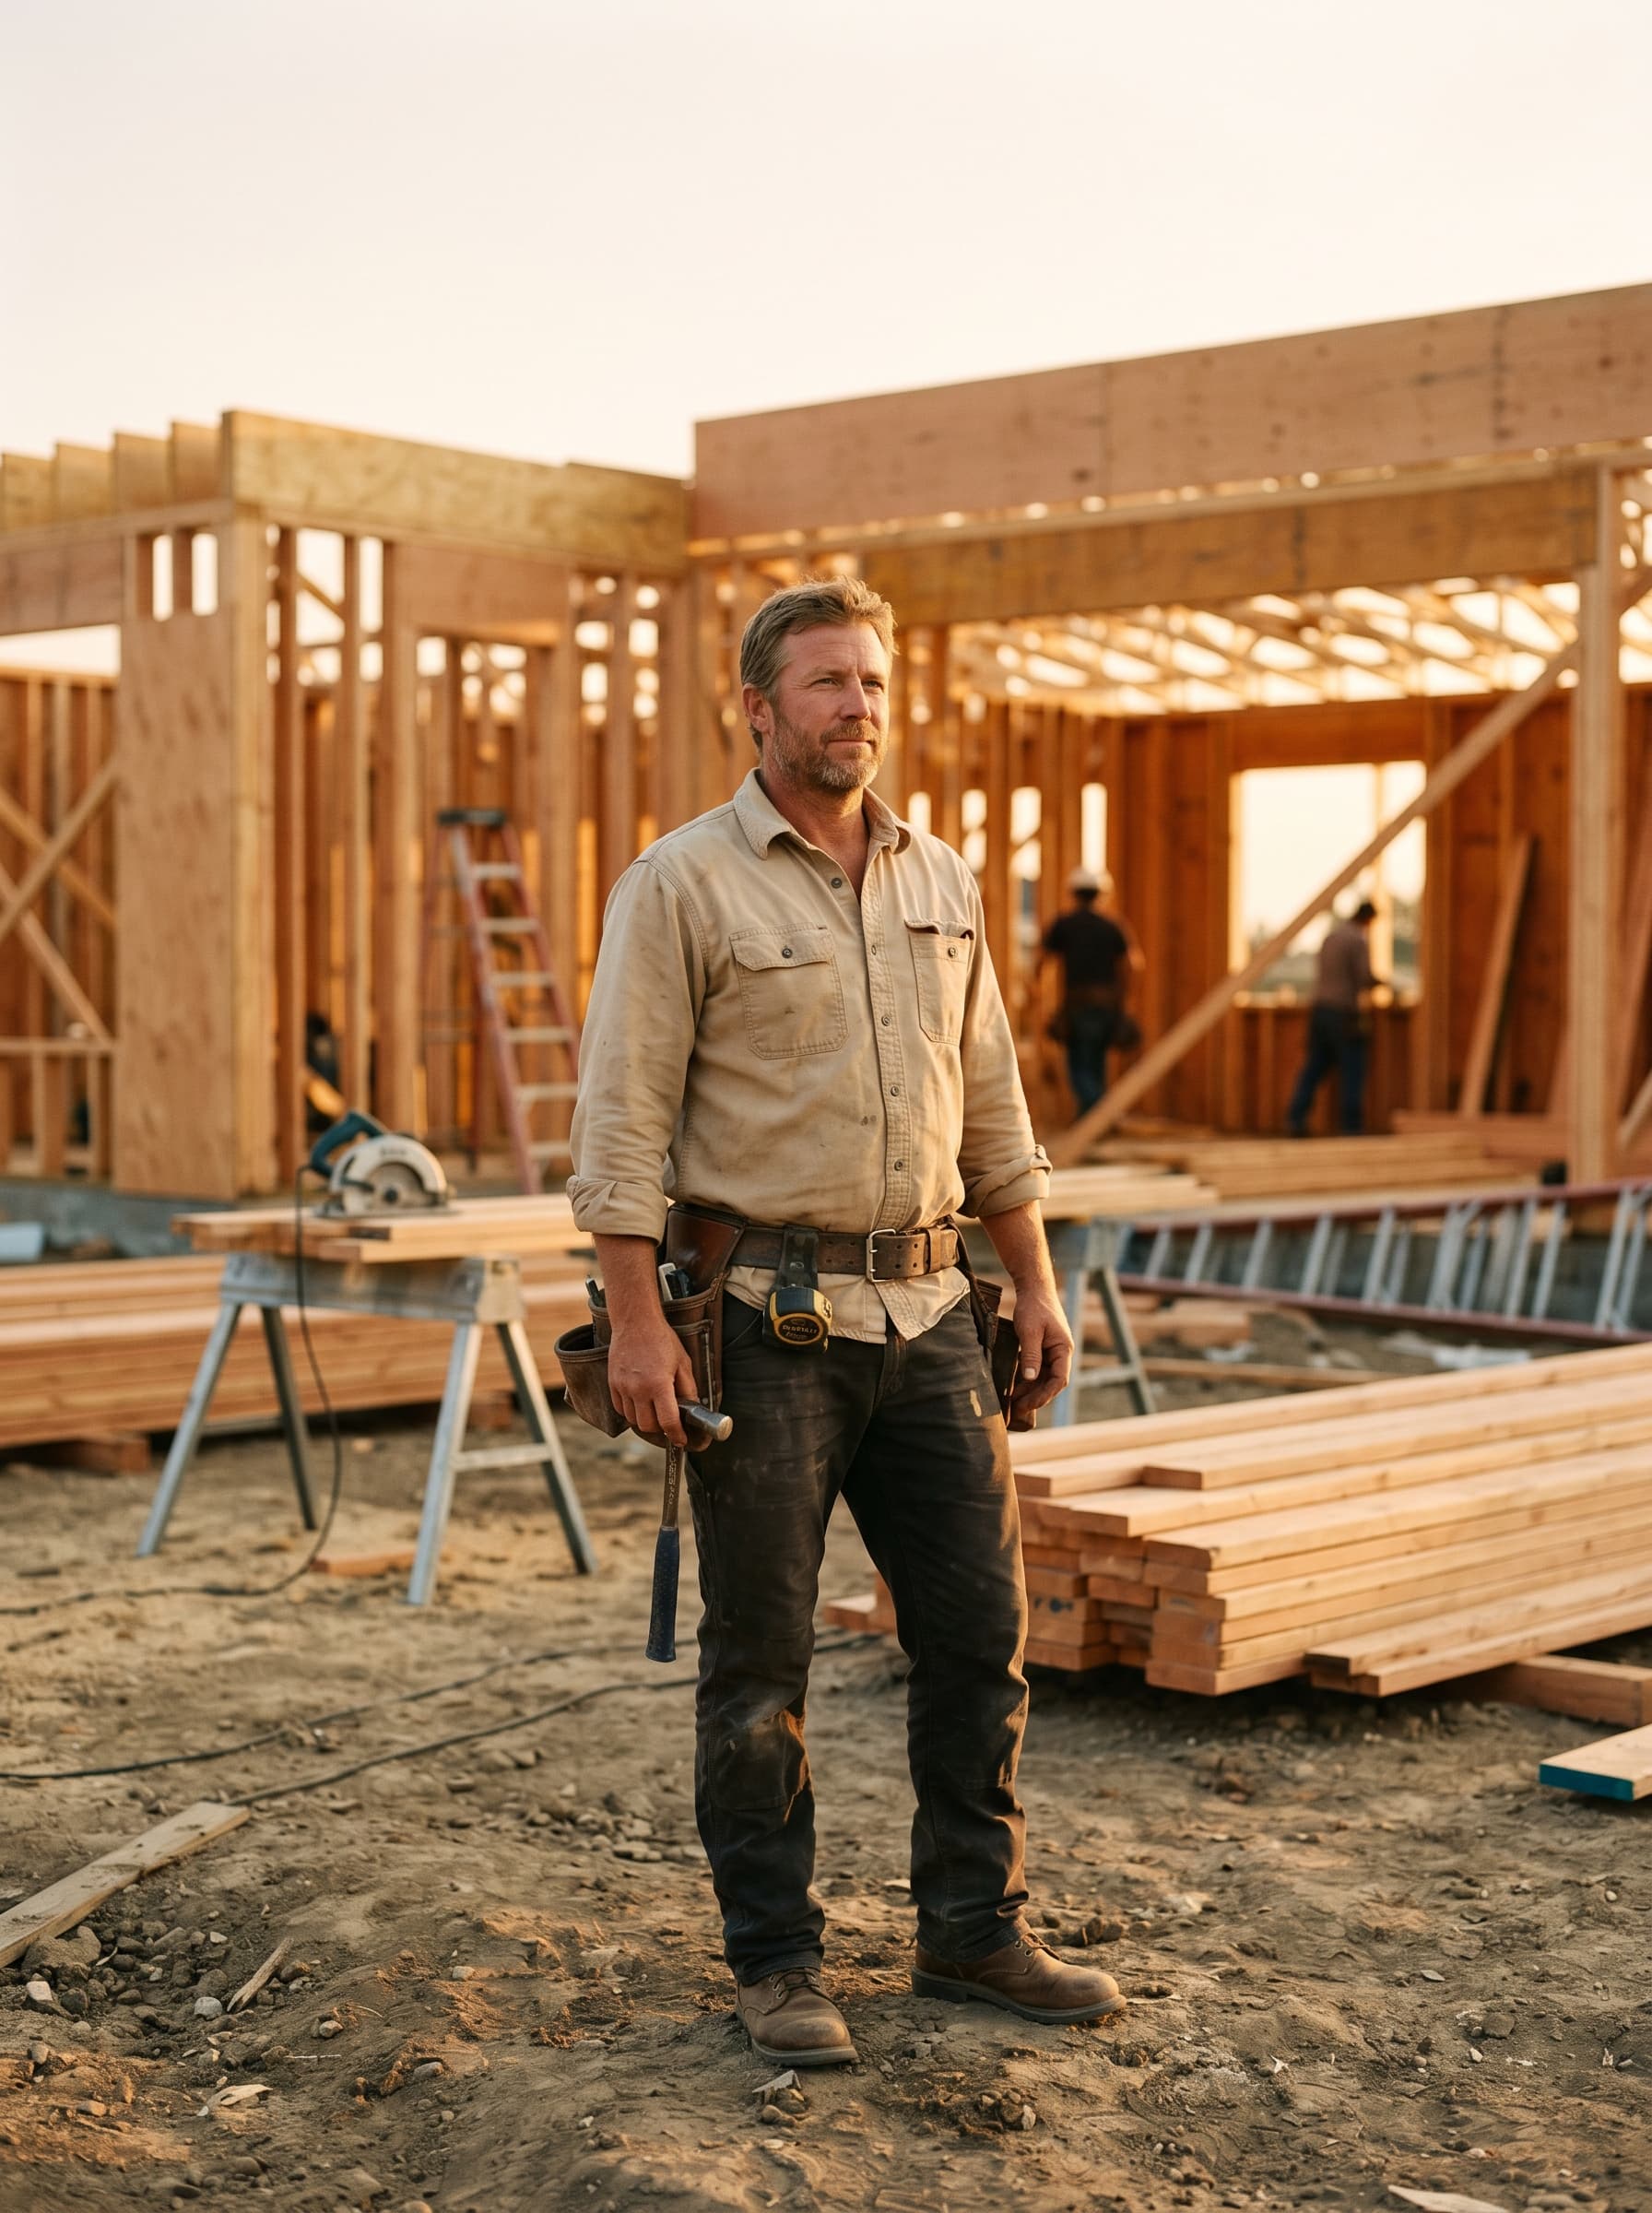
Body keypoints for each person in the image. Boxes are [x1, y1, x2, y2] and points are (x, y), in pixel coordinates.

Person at [568, 575, 1123, 2069]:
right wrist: (637, 1325)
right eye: (824, 684)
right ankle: (776, 1962)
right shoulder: (682, 884)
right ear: (757, 710)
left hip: (937, 1306)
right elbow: (620, 1125)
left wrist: (1036, 1276)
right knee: (762, 1664)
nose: (855, 709)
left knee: (977, 1635)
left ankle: (973, 1928)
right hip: (766, 1319)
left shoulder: (939, 880)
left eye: (871, 683)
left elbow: (992, 1101)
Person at [1041, 869, 1140, 1115]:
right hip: (1108, 1004)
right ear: (1102, 895)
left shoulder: (1063, 925)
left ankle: (1099, 1112)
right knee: (1096, 1061)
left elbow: (1042, 962)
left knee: (1079, 1064)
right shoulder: (1112, 925)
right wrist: (1126, 1000)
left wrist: (1037, 992)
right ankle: (1094, 1119)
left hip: (1077, 1004)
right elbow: (1134, 965)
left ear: (1074, 894)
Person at [1285, 898, 1384, 1136]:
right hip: (1343, 1013)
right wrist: (1381, 982)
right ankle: (1351, 1128)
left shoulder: (1332, 937)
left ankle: (1296, 1119)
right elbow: (1363, 977)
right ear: (1368, 919)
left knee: (1315, 1066)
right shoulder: (1357, 939)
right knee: (1352, 1069)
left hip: (1320, 1010)